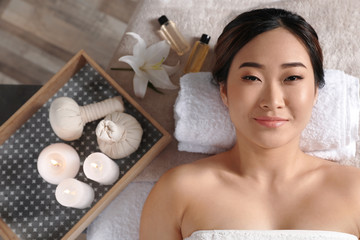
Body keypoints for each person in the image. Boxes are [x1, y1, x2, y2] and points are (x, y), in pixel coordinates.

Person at [139, 8, 360, 240]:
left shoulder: (355, 191)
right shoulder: (178, 191)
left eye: (292, 78)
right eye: (251, 78)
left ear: (315, 91)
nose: (273, 101)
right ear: (224, 91)